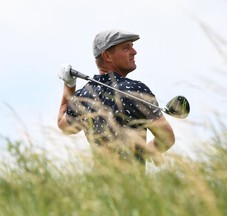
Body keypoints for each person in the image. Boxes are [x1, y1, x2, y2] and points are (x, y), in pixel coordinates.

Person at [57, 29, 175, 167]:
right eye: (126, 48)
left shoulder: (83, 96)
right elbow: (167, 138)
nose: (134, 52)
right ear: (107, 56)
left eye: (132, 46)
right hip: (134, 184)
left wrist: (69, 84)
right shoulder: (136, 90)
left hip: (100, 185)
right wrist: (150, 151)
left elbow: (63, 126)